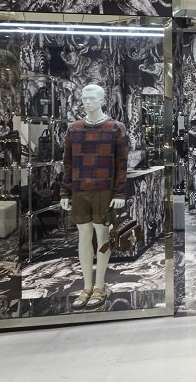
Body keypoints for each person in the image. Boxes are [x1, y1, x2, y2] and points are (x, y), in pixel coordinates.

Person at [60, 84, 128, 309]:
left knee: (103, 236)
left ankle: (100, 285)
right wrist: (65, 191)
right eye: (84, 98)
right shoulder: (74, 129)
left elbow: (122, 164)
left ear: (102, 100)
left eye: (92, 98)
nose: (87, 102)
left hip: (104, 190)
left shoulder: (115, 128)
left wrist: (119, 192)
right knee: (83, 236)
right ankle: (87, 286)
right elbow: (68, 163)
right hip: (80, 189)